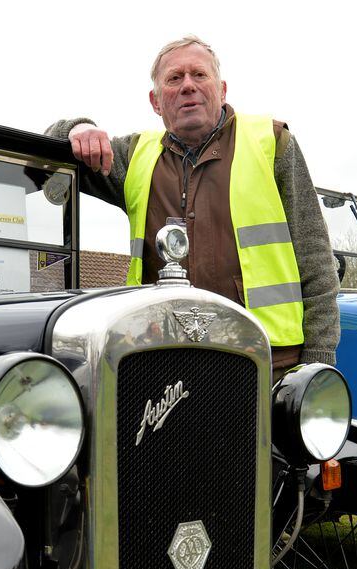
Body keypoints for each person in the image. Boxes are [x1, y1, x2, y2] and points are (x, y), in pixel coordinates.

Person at [47, 35, 339, 371]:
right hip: (163, 359)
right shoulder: (133, 156)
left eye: (199, 75)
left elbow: (316, 260)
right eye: (174, 78)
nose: (188, 86)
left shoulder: (271, 143)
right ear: (156, 101)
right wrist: (78, 127)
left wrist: (319, 360)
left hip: (269, 362)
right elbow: (48, 158)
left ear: (223, 89)